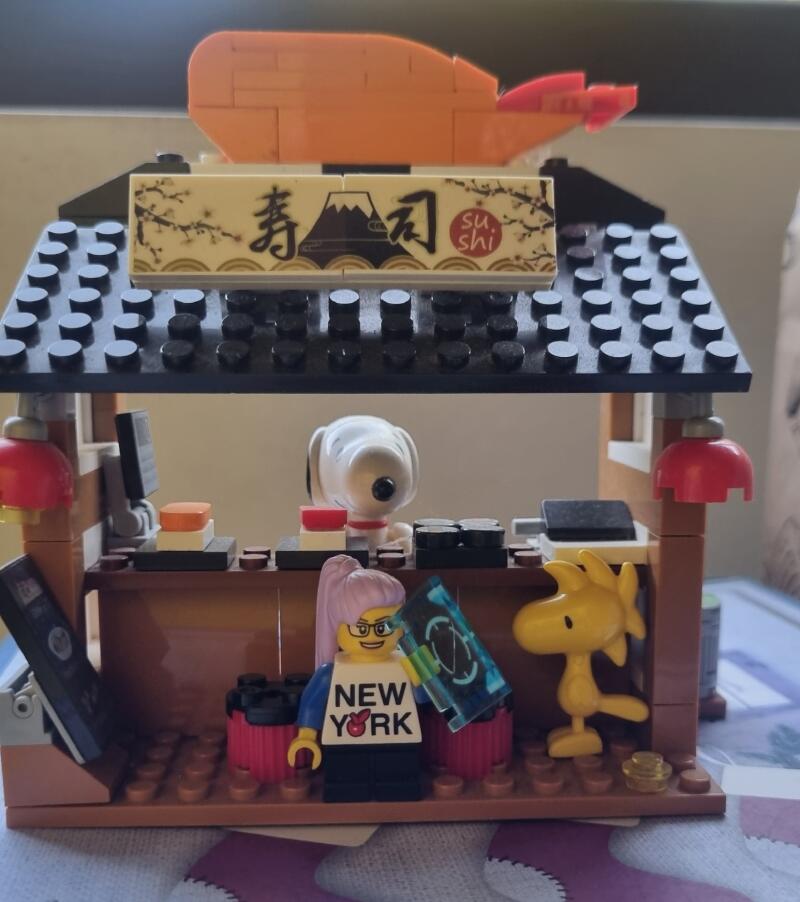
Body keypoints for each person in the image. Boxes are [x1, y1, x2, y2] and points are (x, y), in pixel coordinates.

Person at [287, 554, 423, 802]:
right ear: (339, 627)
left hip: (398, 742)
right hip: (345, 744)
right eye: (361, 628)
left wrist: (421, 673)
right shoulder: (333, 672)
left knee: (398, 784)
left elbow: (423, 699)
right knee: (347, 783)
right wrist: (307, 735)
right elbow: (313, 701)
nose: (372, 636)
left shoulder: (406, 662)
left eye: (383, 627)